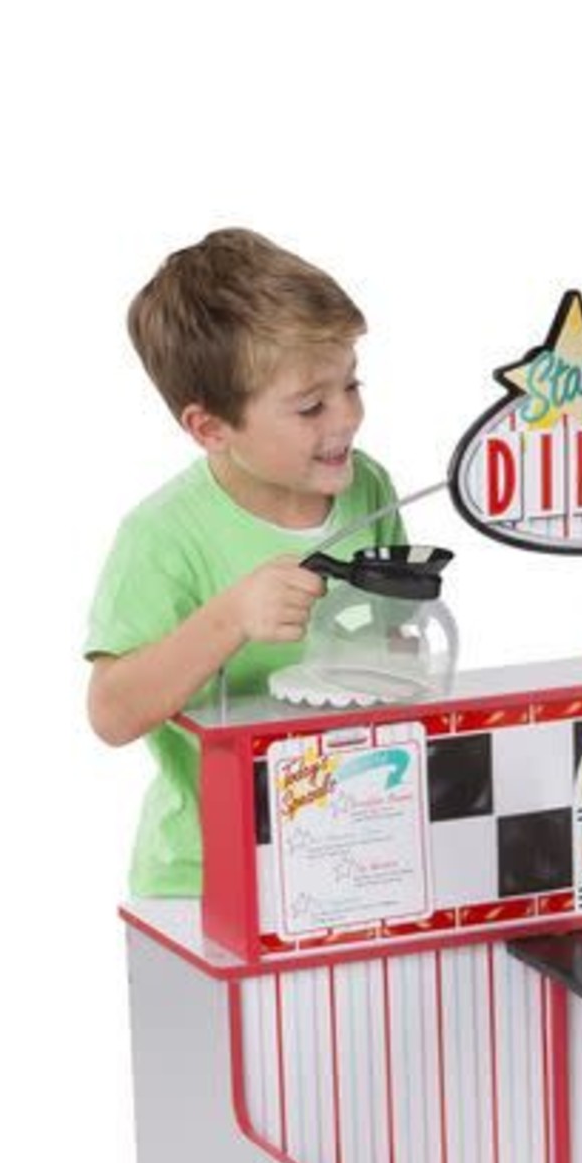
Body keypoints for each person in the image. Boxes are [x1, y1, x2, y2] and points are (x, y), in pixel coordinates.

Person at [85, 228, 405, 896]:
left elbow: (396, 643)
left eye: (352, 383)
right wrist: (230, 618)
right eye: (311, 405)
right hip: (204, 880)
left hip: (350, 859)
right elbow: (111, 713)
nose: (347, 417)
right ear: (210, 428)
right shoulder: (162, 536)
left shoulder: (368, 488)